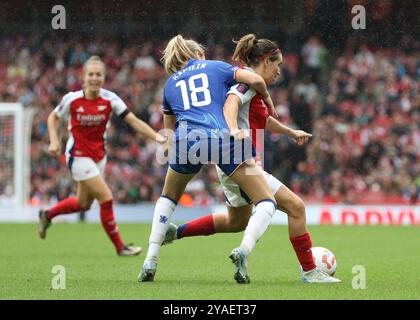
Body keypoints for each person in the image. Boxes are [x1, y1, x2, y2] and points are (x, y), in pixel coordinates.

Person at [163, 34, 341, 283]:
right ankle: (310, 271)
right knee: (296, 208)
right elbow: (231, 102)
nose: (279, 72)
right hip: (239, 162)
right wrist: (234, 128)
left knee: (237, 220)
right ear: (266, 61)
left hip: (230, 164)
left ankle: (176, 232)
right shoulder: (244, 84)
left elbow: (262, 119)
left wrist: (290, 132)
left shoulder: (251, 85)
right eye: (277, 65)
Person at [138, 35, 279, 282]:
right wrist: (267, 99)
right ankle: (243, 250)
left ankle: (150, 259)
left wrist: (176, 153)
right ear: (198, 55)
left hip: (186, 139)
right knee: (266, 202)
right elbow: (255, 79)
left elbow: (168, 129)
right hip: (221, 136)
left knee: (168, 197)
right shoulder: (216, 66)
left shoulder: (170, 83)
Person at [38, 56, 167, 256]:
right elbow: (53, 117)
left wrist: (156, 136)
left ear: (104, 77)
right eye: (91, 74)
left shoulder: (110, 98)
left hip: (99, 156)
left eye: (99, 75)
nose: (95, 78)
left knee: (83, 204)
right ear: (84, 77)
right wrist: (54, 141)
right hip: (78, 156)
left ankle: (47, 215)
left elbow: (133, 121)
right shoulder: (72, 99)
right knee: (106, 198)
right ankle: (120, 247)